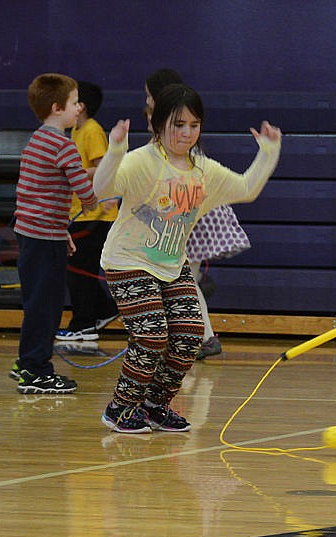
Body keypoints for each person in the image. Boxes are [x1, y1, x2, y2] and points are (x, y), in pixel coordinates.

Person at [94, 84, 281, 433]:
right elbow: (101, 189)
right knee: (152, 336)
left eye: (193, 125)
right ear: (158, 124)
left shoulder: (203, 170)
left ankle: (154, 405)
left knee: (191, 334)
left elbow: (246, 189)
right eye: (178, 124)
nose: (186, 133)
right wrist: (116, 149)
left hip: (171, 264)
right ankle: (120, 407)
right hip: (128, 261)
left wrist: (269, 151)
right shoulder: (141, 161)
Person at [145, 68, 250, 360]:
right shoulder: (177, 120)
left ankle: (202, 336)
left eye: (149, 95)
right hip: (190, 207)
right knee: (181, 278)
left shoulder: (170, 125)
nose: (147, 100)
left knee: (183, 279)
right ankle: (195, 336)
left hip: (189, 210)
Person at [10, 73, 99, 394]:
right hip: (44, 240)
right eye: (75, 103)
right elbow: (85, 193)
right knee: (46, 307)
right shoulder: (64, 145)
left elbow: (35, 194)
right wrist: (100, 198)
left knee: (37, 303)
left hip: (36, 235)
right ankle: (36, 370)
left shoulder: (37, 140)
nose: (80, 108)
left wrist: (62, 231)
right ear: (57, 107)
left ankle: (27, 362)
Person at [55, 80, 120, 342]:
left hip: (95, 216)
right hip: (79, 213)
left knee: (79, 271)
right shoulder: (76, 132)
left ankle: (84, 323)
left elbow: (104, 166)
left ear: (80, 106)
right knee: (78, 269)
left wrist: (74, 171)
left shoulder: (92, 130)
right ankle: (103, 310)